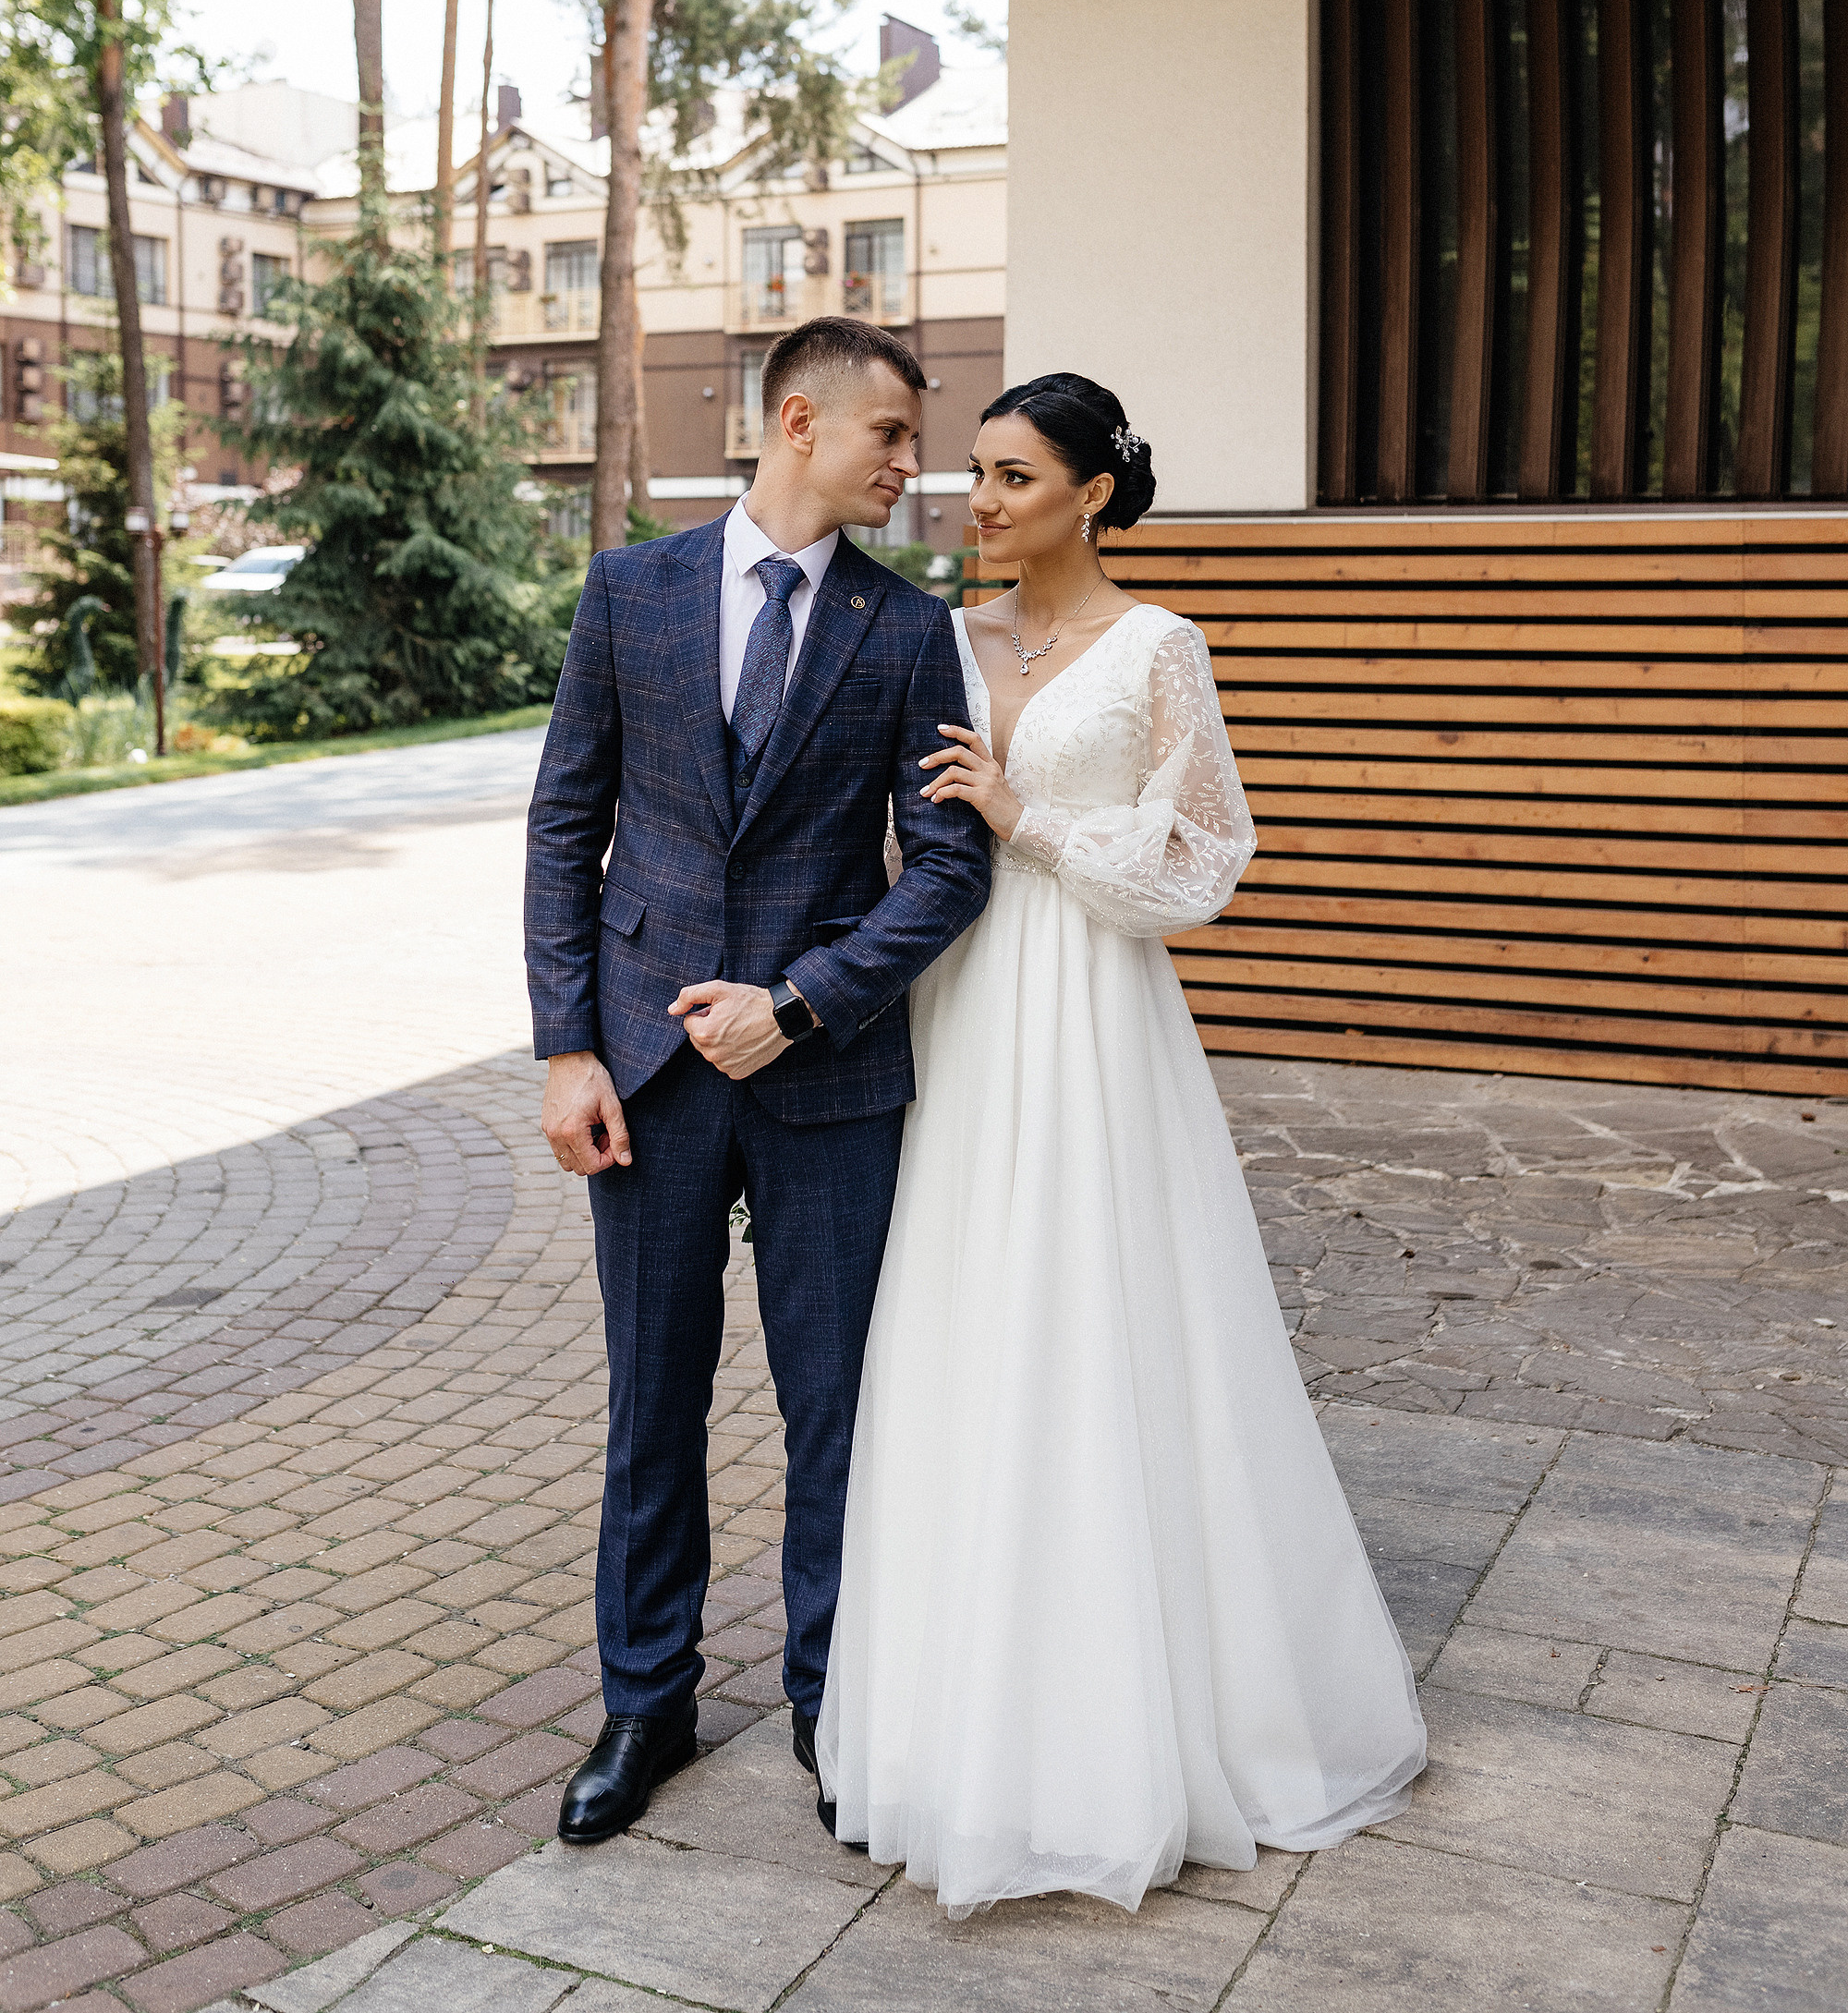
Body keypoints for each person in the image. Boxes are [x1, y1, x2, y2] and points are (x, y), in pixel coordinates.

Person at [818, 372, 1427, 1916]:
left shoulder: (1164, 649)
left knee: (1101, 1323)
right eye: (972, 473)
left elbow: (1202, 869)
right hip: (956, 1009)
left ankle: (1141, 1724)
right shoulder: (940, 636)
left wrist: (1028, 821)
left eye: (1014, 477)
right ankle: (958, 1711)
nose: (981, 501)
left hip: (1091, 1013)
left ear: (1094, 491)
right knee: (961, 1327)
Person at [526, 315, 990, 1845]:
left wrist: (800, 1004)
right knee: (650, 1404)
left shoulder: (911, 628)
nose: (915, 471)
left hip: (827, 1082)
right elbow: (563, 828)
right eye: (894, 441)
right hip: (646, 1078)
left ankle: (829, 1698)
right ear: (801, 423)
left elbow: (946, 869)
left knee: (835, 1406)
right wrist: (568, 1049)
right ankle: (645, 1701)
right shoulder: (632, 590)